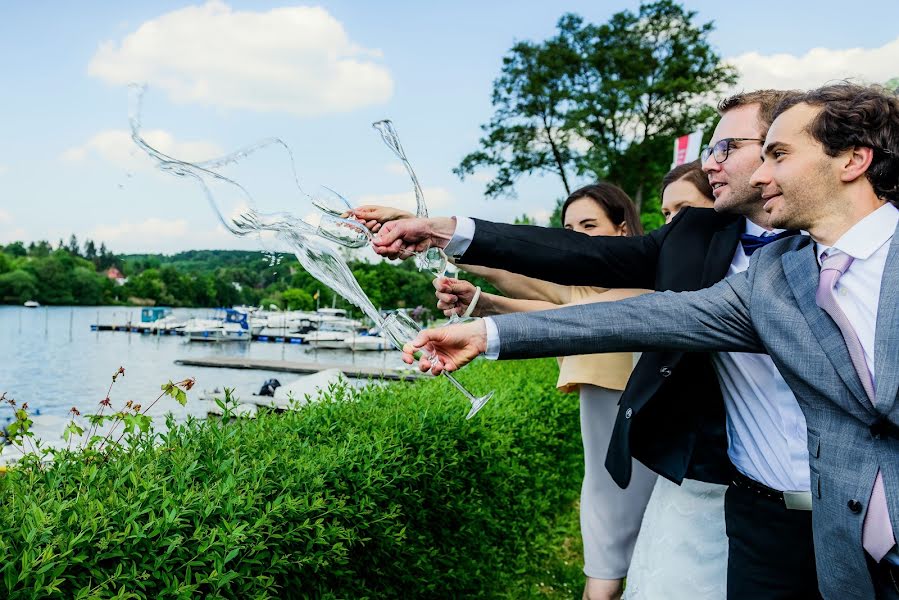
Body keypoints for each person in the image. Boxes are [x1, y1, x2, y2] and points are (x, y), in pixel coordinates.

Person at [395, 83, 899, 599]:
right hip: (755, 507)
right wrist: (482, 319)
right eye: (715, 150)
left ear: (853, 160)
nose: (713, 165)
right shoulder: (757, 272)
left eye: (766, 151)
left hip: (867, 514)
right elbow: (635, 312)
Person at [431, 164, 723, 599]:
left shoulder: (661, 286)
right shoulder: (589, 287)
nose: (577, 237)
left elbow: (577, 317)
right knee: (615, 554)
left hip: (647, 433)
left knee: (619, 560)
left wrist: (483, 302)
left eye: (589, 225)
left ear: (624, 230)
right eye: (569, 228)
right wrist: (459, 263)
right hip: (609, 435)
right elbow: (538, 289)